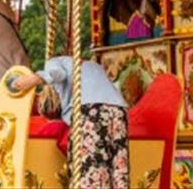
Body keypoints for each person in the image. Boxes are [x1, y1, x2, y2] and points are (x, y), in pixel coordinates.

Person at [11, 56, 129, 189]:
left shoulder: (54, 62)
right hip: (119, 108)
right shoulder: (91, 65)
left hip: (92, 110)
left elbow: (58, 74)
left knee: (91, 168)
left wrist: (36, 78)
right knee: (119, 164)